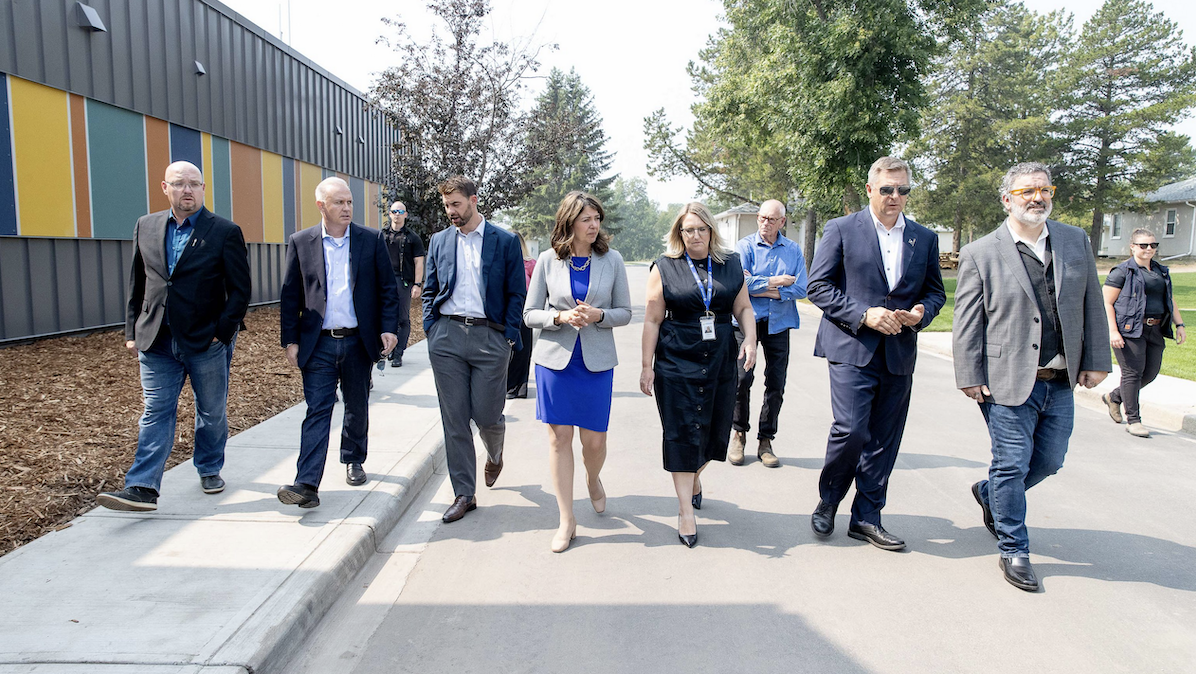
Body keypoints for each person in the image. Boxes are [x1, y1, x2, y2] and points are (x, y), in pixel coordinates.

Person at [954, 162, 1111, 591]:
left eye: (1044, 189)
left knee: (1049, 461)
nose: (1037, 197)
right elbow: (968, 320)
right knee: (1011, 464)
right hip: (1005, 380)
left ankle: (990, 494)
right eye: (1026, 191)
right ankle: (1013, 548)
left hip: (1060, 379)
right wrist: (968, 373)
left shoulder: (1074, 241)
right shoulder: (981, 252)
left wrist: (1097, 359)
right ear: (1007, 199)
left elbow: (1092, 304)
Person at [806, 156, 946, 552]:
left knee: (885, 437)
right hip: (851, 347)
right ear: (871, 190)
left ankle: (867, 516)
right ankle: (830, 499)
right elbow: (818, 287)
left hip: (899, 352)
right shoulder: (841, 229)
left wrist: (921, 313)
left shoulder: (924, 238)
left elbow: (935, 291)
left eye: (903, 190)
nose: (895, 197)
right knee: (851, 430)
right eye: (887, 189)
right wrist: (864, 314)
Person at [97, 161, 251, 511]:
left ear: (203, 189)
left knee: (211, 411)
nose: (187, 190)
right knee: (156, 411)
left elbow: (240, 291)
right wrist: (131, 328)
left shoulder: (224, 231)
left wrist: (222, 334)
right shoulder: (146, 225)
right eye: (179, 184)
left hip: (205, 340)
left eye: (194, 184)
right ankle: (142, 487)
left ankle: (209, 466)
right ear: (164, 187)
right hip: (157, 340)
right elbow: (138, 279)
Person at [276, 177, 399, 508]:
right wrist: (290, 339)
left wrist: (389, 328)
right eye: (339, 203)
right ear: (321, 206)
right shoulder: (301, 242)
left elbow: (388, 289)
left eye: (349, 203)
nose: (346, 208)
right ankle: (306, 484)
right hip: (318, 343)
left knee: (356, 405)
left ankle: (353, 457)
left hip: (359, 341)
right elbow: (290, 294)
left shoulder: (370, 239)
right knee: (318, 409)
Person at [640, 202, 757, 547]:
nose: (695, 235)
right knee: (680, 430)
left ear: (711, 231)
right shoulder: (665, 267)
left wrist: (750, 338)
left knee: (713, 429)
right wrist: (646, 366)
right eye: (688, 230)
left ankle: (693, 478)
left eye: (701, 229)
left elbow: (744, 307)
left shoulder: (730, 264)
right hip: (676, 360)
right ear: (679, 233)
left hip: (720, 359)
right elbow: (651, 319)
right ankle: (685, 512)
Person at [524, 192, 633, 552]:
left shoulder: (612, 260)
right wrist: (559, 317)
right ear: (569, 221)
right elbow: (529, 314)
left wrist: (599, 316)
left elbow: (624, 312)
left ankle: (593, 477)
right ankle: (566, 519)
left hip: (596, 361)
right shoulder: (547, 260)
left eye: (597, 219)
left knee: (594, 442)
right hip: (555, 361)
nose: (594, 225)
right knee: (559, 439)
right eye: (587, 219)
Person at [422, 176, 527, 523]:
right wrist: (431, 328)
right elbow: (430, 288)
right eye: (446, 206)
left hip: (489, 337)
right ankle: (464, 493)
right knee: (454, 419)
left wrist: (507, 337)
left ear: (473, 200)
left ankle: (494, 454)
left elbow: (517, 293)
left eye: (456, 204)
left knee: (486, 415)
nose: (450, 211)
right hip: (447, 337)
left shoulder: (505, 241)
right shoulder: (439, 241)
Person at [730, 199, 808, 468]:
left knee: (775, 384)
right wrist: (777, 282)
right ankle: (738, 433)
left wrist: (760, 287)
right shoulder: (745, 246)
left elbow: (801, 289)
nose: (765, 223)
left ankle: (765, 439)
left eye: (771, 219)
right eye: (762, 218)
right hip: (746, 321)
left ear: (782, 222)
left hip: (780, 324)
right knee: (741, 379)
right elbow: (741, 282)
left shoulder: (793, 250)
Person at [1101, 228, 1187, 437]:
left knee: (1150, 373)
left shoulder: (1161, 271)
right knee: (1132, 373)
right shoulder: (1122, 272)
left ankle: (1114, 396)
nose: (1149, 249)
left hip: (1155, 328)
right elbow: (1107, 302)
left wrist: (1180, 324)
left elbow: (1170, 299)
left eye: (1153, 245)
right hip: (1130, 329)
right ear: (1132, 247)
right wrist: (1113, 331)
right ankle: (1134, 420)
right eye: (1143, 245)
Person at [381, 200, 425, 367]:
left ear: (405, 215)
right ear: (390, 213)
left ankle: (398, 353)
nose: (397, 215)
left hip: (403, 282)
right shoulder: (382, 235)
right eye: (394, 211)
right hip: (384, 281)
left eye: (400, 212)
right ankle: (388, 349)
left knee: (402, 319)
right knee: (384, 316)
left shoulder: (412, 238)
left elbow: (419, 262)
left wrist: (417, 284)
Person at [507, 230, 537, 399]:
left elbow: (538, 289)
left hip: (525, 309)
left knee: (523, 348)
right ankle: (509, 385)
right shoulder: (503, 262)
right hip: (506, 309)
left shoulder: (530, 264)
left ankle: (521, 386)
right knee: (508, 349)